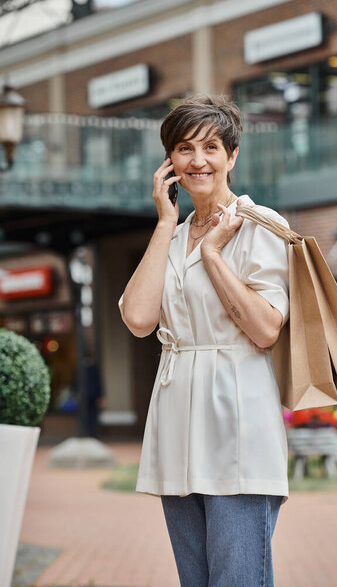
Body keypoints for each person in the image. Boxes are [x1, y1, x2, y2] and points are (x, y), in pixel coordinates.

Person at [118, 94, 290, 587]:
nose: (198, 160)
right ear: (168, 161)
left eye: (211, 147)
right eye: (184, 149)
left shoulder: (261, 226)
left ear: (231, 157)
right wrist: (165, 222)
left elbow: (264, 330)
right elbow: (137, 319)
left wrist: (214, 256)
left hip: (238, 426)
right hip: (177, 429)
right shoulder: (170, 235)